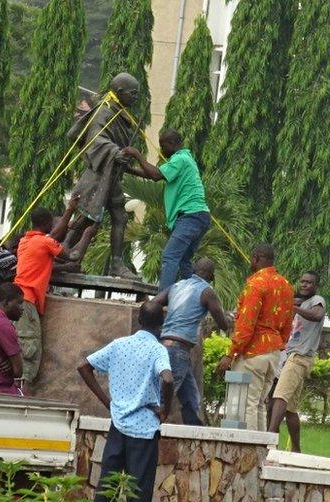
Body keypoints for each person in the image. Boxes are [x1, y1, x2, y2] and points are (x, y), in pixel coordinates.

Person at [77, 302, 174, 502]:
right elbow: (168, 379)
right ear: (160, 325)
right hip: (143, 431)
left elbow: (84, 366)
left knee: (108, 483)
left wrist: (108, 403)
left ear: (138, 320)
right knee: (137, 491)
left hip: (118, 426)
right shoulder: (157, 350)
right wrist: (165, 409)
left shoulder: (119, 345)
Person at [62, 72, 141, 278]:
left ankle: (115, 263)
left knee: (118, 217)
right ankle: (63, 251)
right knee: (87, 217)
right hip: (98, 175)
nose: (136, 97)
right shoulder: (105, 113)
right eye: (133, 93)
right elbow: (95, 140)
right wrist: (115, 152)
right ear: (120, 92)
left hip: (112, 175)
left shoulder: (119, 113)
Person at [15, 197, 96, 386]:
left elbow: (50, 261)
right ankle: (23, 394)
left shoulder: (26, 241)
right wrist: (87, 235)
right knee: (29, 352)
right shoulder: (44, 242)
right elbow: (74, 255)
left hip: (21, 300)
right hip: (27, 302)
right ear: (46, 224)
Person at [122, 129, 211, 291]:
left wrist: (136, 154)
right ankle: (193, 296)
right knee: (184, 260)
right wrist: (130, 170)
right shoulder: (186, 159)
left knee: (170, 256)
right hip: (200, 216)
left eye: (163, 146)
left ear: (172, 144)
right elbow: (155, 175)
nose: (161, 150)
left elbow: (156, 175)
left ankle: (161, 301)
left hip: (191, 216)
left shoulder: (180, 159)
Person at [217, 244, 293, 431]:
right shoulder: (286, 285)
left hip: (254, 352)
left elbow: (245, 325)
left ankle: (248, 452)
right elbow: (288, 323)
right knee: (259, 403)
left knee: (247, 404)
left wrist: (230, 353)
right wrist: (278, 343)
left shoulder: (255, 284)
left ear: (256, 258)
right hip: (274, 352)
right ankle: (261, 452)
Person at [151, 257, 229, 425]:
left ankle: (194, 432)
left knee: (191, 400)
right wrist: (230, 319)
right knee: (162, 400)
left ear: (193, 270)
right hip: (177, 350)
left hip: (169, 346)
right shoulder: (207, 291)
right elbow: (222, 323)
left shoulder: (177, 286)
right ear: (212, 277)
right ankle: (144, 436)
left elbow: (154, 303)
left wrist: (162, 325)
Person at [267, 271, 326, 452]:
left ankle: (269, 439)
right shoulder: (299, 301)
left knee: (279, 396)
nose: (305, 285)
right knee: (290, 409)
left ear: (316, 286)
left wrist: (295, 308)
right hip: (290, 356)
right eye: (302, 281)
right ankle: (296, 450)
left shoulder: (318, 301)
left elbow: (316, 315)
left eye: (309, 282)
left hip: (300, 357)